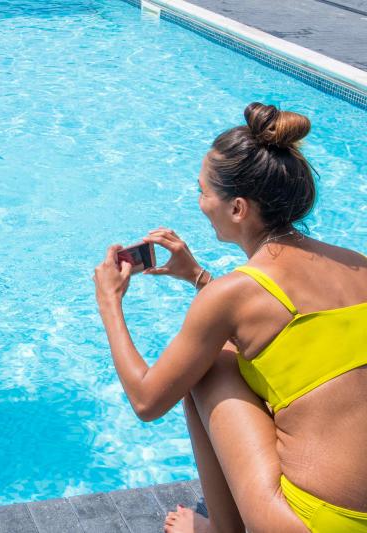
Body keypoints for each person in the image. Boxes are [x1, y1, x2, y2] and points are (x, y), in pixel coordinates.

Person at [93, 103, 367, 532]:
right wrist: (200, 277)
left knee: (205, 366)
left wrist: (110, 302)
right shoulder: (357, 263)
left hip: (318, 523)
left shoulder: (232, 295)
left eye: (203, 192)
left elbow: (147, 401)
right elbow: (279, 328)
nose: (200, 202)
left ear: (238, 208)